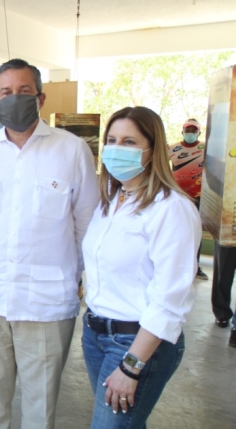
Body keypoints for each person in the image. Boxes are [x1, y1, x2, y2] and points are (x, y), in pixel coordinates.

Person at [0, 58, 99, 429]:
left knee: (39, 406)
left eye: (24, 91)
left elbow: (87, 226)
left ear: (40, 98)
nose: (14, 98)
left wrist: (78, 278)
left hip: (46, 303)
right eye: (6, 92)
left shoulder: (72, 150)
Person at [82, 106, 201, 427]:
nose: (116, 149)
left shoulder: (171, 209)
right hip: (95, 335)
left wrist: (131, 365)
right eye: (111, 140)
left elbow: (171, 299)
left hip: (136, 344)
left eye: (130, 142)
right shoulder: (111, 200)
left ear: (152, 150)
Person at [168, 118, 208, 280]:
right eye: (188, 130)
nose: (190, 133)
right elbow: (161, 166)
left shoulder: (205, 148)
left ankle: (195, 267)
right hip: (176, 196)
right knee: (174, 231)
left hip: (198, 197)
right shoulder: (172, 148)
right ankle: (173, 265)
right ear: (182, 131)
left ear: (199, 132)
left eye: (194, 130)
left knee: (196, 232)